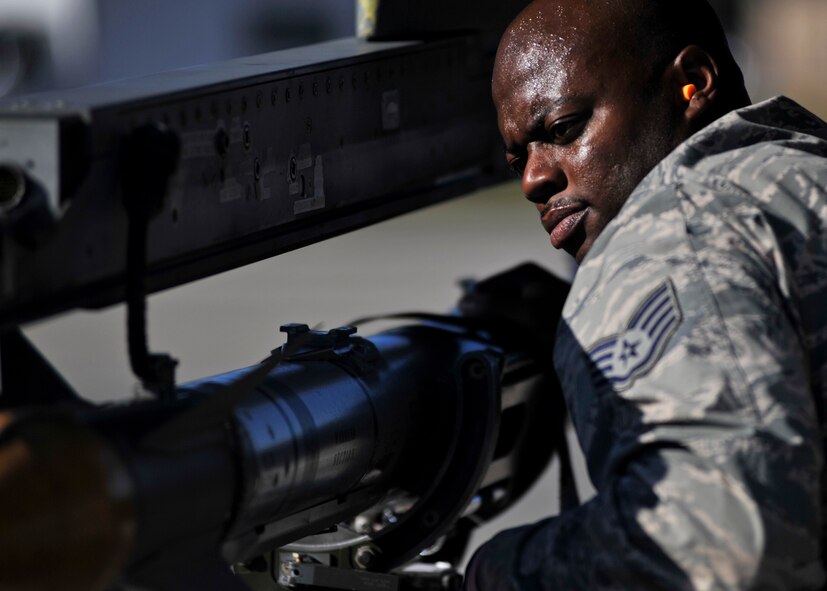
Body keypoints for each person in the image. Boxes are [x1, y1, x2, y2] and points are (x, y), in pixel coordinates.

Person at [464, 0, 827, 588]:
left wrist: (497, 573)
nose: (534, 180)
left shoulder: (669, 234)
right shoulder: (800, 179)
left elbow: (721, 550)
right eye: (517, 159)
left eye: (562, 130)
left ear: (693, 84)